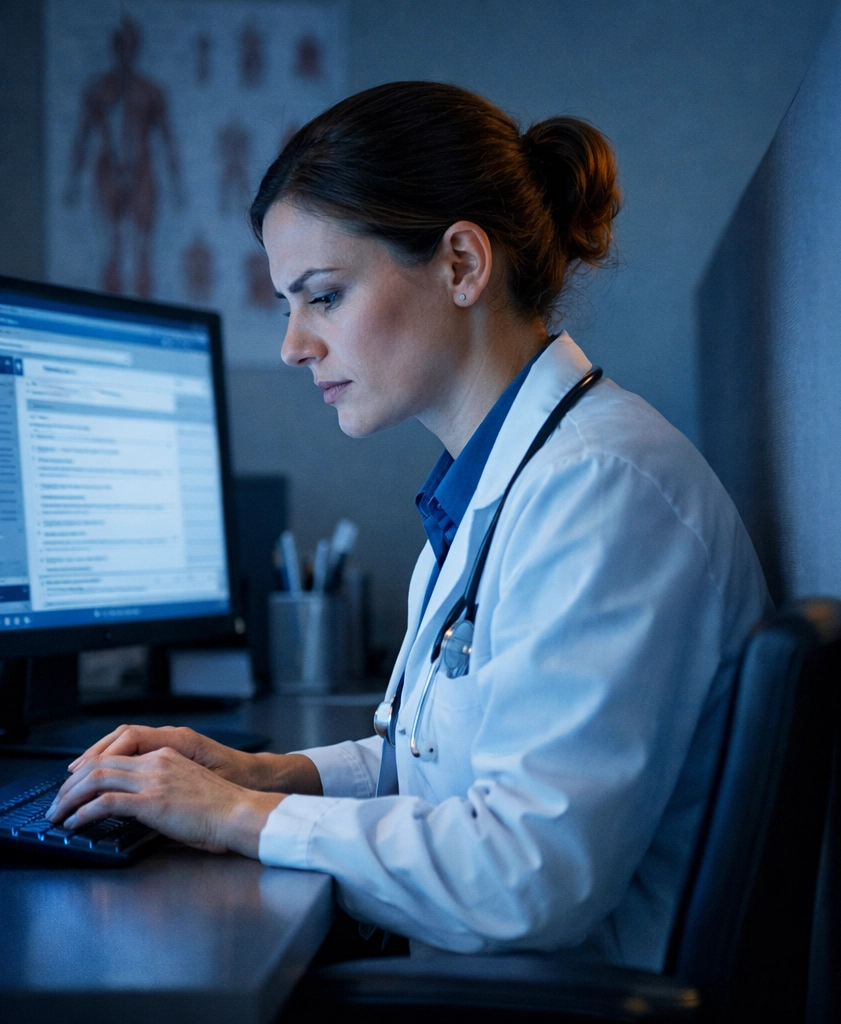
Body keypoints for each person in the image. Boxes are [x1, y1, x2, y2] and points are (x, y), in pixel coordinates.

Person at [48, 81, 771, 965]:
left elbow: (526, 877)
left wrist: (239, 816)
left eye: (322, 295)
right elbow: (430, 762)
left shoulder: (601, 493)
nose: (293, 344)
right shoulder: (505, 480)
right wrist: (255, 773)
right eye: (288, 304)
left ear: (463, 265)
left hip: (550, 996)